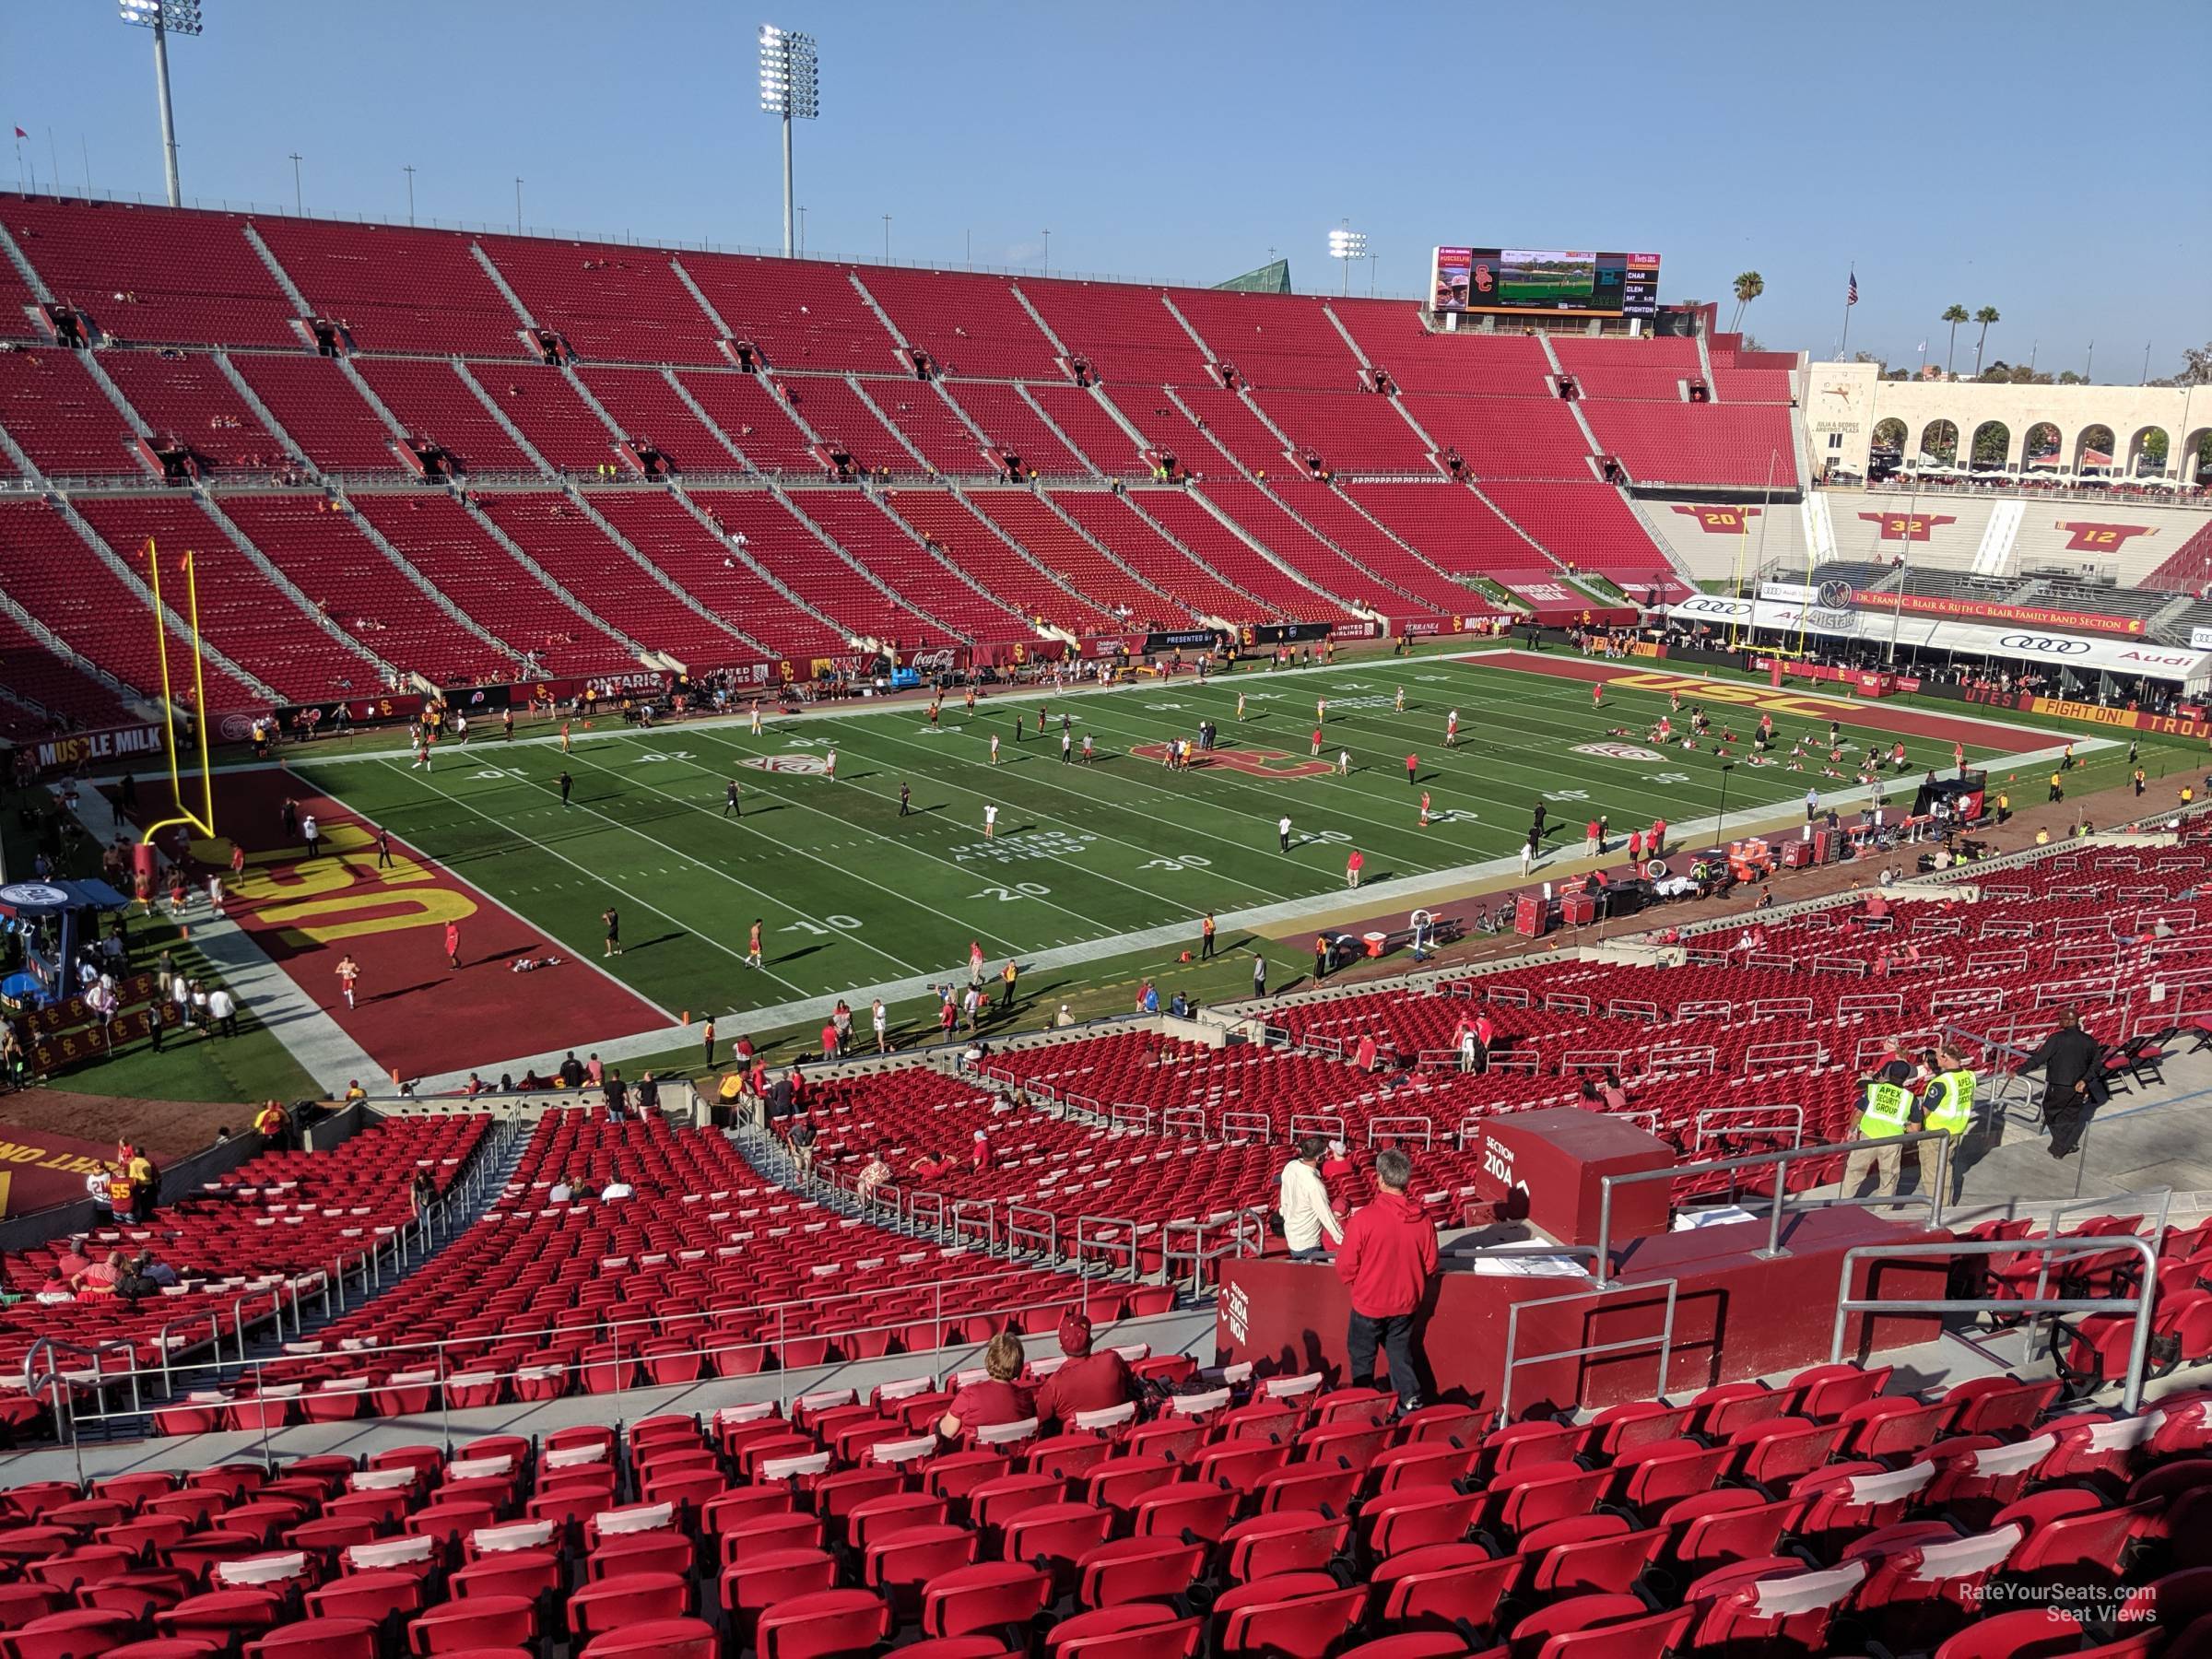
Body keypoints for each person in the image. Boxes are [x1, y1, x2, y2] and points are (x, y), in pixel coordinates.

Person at [1335, 1147, 1436, 1416]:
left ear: (1380, 1179)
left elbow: (1345, 1265)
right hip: (1406, 1304)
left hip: (1368, 1304)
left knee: (1362, 1360)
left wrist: (1356, 1285)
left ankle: (1366, 1408)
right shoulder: (1425, 1220)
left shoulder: (1364, 1219)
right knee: (1400, 1355)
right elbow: (1431, 1264)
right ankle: (1411, 1404)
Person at [2016, 1009, 2101, 1160]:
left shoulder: (2056, 1039)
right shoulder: (2089, 1040)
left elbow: (2039, 1058)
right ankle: (2063, 1145)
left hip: (2058, 1086)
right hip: (2078, 1086)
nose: (2058, 1021)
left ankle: (2060, 1147)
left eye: (2060, 1019)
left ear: (2068, 1021)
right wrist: (2085, 1080)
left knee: (2050, 1112)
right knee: (2070, 1117)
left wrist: (2019, 1071)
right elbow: (2095, 1065)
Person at [1033, 1312, 1134, 1429]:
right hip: (1120, 1436)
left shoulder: (1054, 1384)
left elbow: (1040, 1419)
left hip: (1075, 1444)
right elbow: (1130, 1384)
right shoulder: (1112, 1360)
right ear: (1091, 1341)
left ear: (1061, 1347)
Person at [1841, 1055, 1918, 1197]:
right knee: (1888, 1180)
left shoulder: (1874, 1089)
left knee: (1854, 1174)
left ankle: (1841, 1207)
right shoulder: (1910, 1098)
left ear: (1889, 1073)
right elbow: (1915, 1129)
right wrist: (1902, 1126)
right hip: (1892, 1142)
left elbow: (1858, 1113)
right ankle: (1884, 1213)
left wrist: (1851, 1131)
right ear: (1906, 1077)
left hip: (1868, 1138)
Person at [939, 1332, 1034, 1440]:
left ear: (989, 1359)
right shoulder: (1026, 1398)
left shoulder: (970, 1394)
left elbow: (947, 1432)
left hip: (970, 1454)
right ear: (1020, 1364)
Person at [1278, 1135, 1345, 1261]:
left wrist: (1285, 1214)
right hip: (1309, 1243)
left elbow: (1284, 1197)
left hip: (1292, 1235)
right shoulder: (1315, 1185)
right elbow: (1327, 1217)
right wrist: (1345, 1241)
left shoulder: (1290, 1167)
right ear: (1319, 1158)